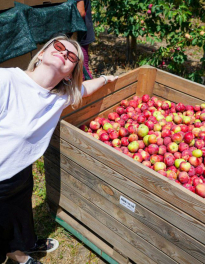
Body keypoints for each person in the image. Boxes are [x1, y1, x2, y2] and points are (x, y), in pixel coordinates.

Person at [0, 35, 118, 264]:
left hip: (21, 168)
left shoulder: (59, 97)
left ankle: (28, 242)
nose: (64, 52)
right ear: (41, 54)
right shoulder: (6, 81)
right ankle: (20, 257)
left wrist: (105, 78)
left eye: (71, 55)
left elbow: (84, 89)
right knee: (3, 220)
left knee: (21, 209)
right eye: (59, 46)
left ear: (70, 72)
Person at [76, 0, 95, 80]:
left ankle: (93, 91)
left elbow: (80, 13)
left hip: (79, 33)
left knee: (82, 71)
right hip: (80, 32)